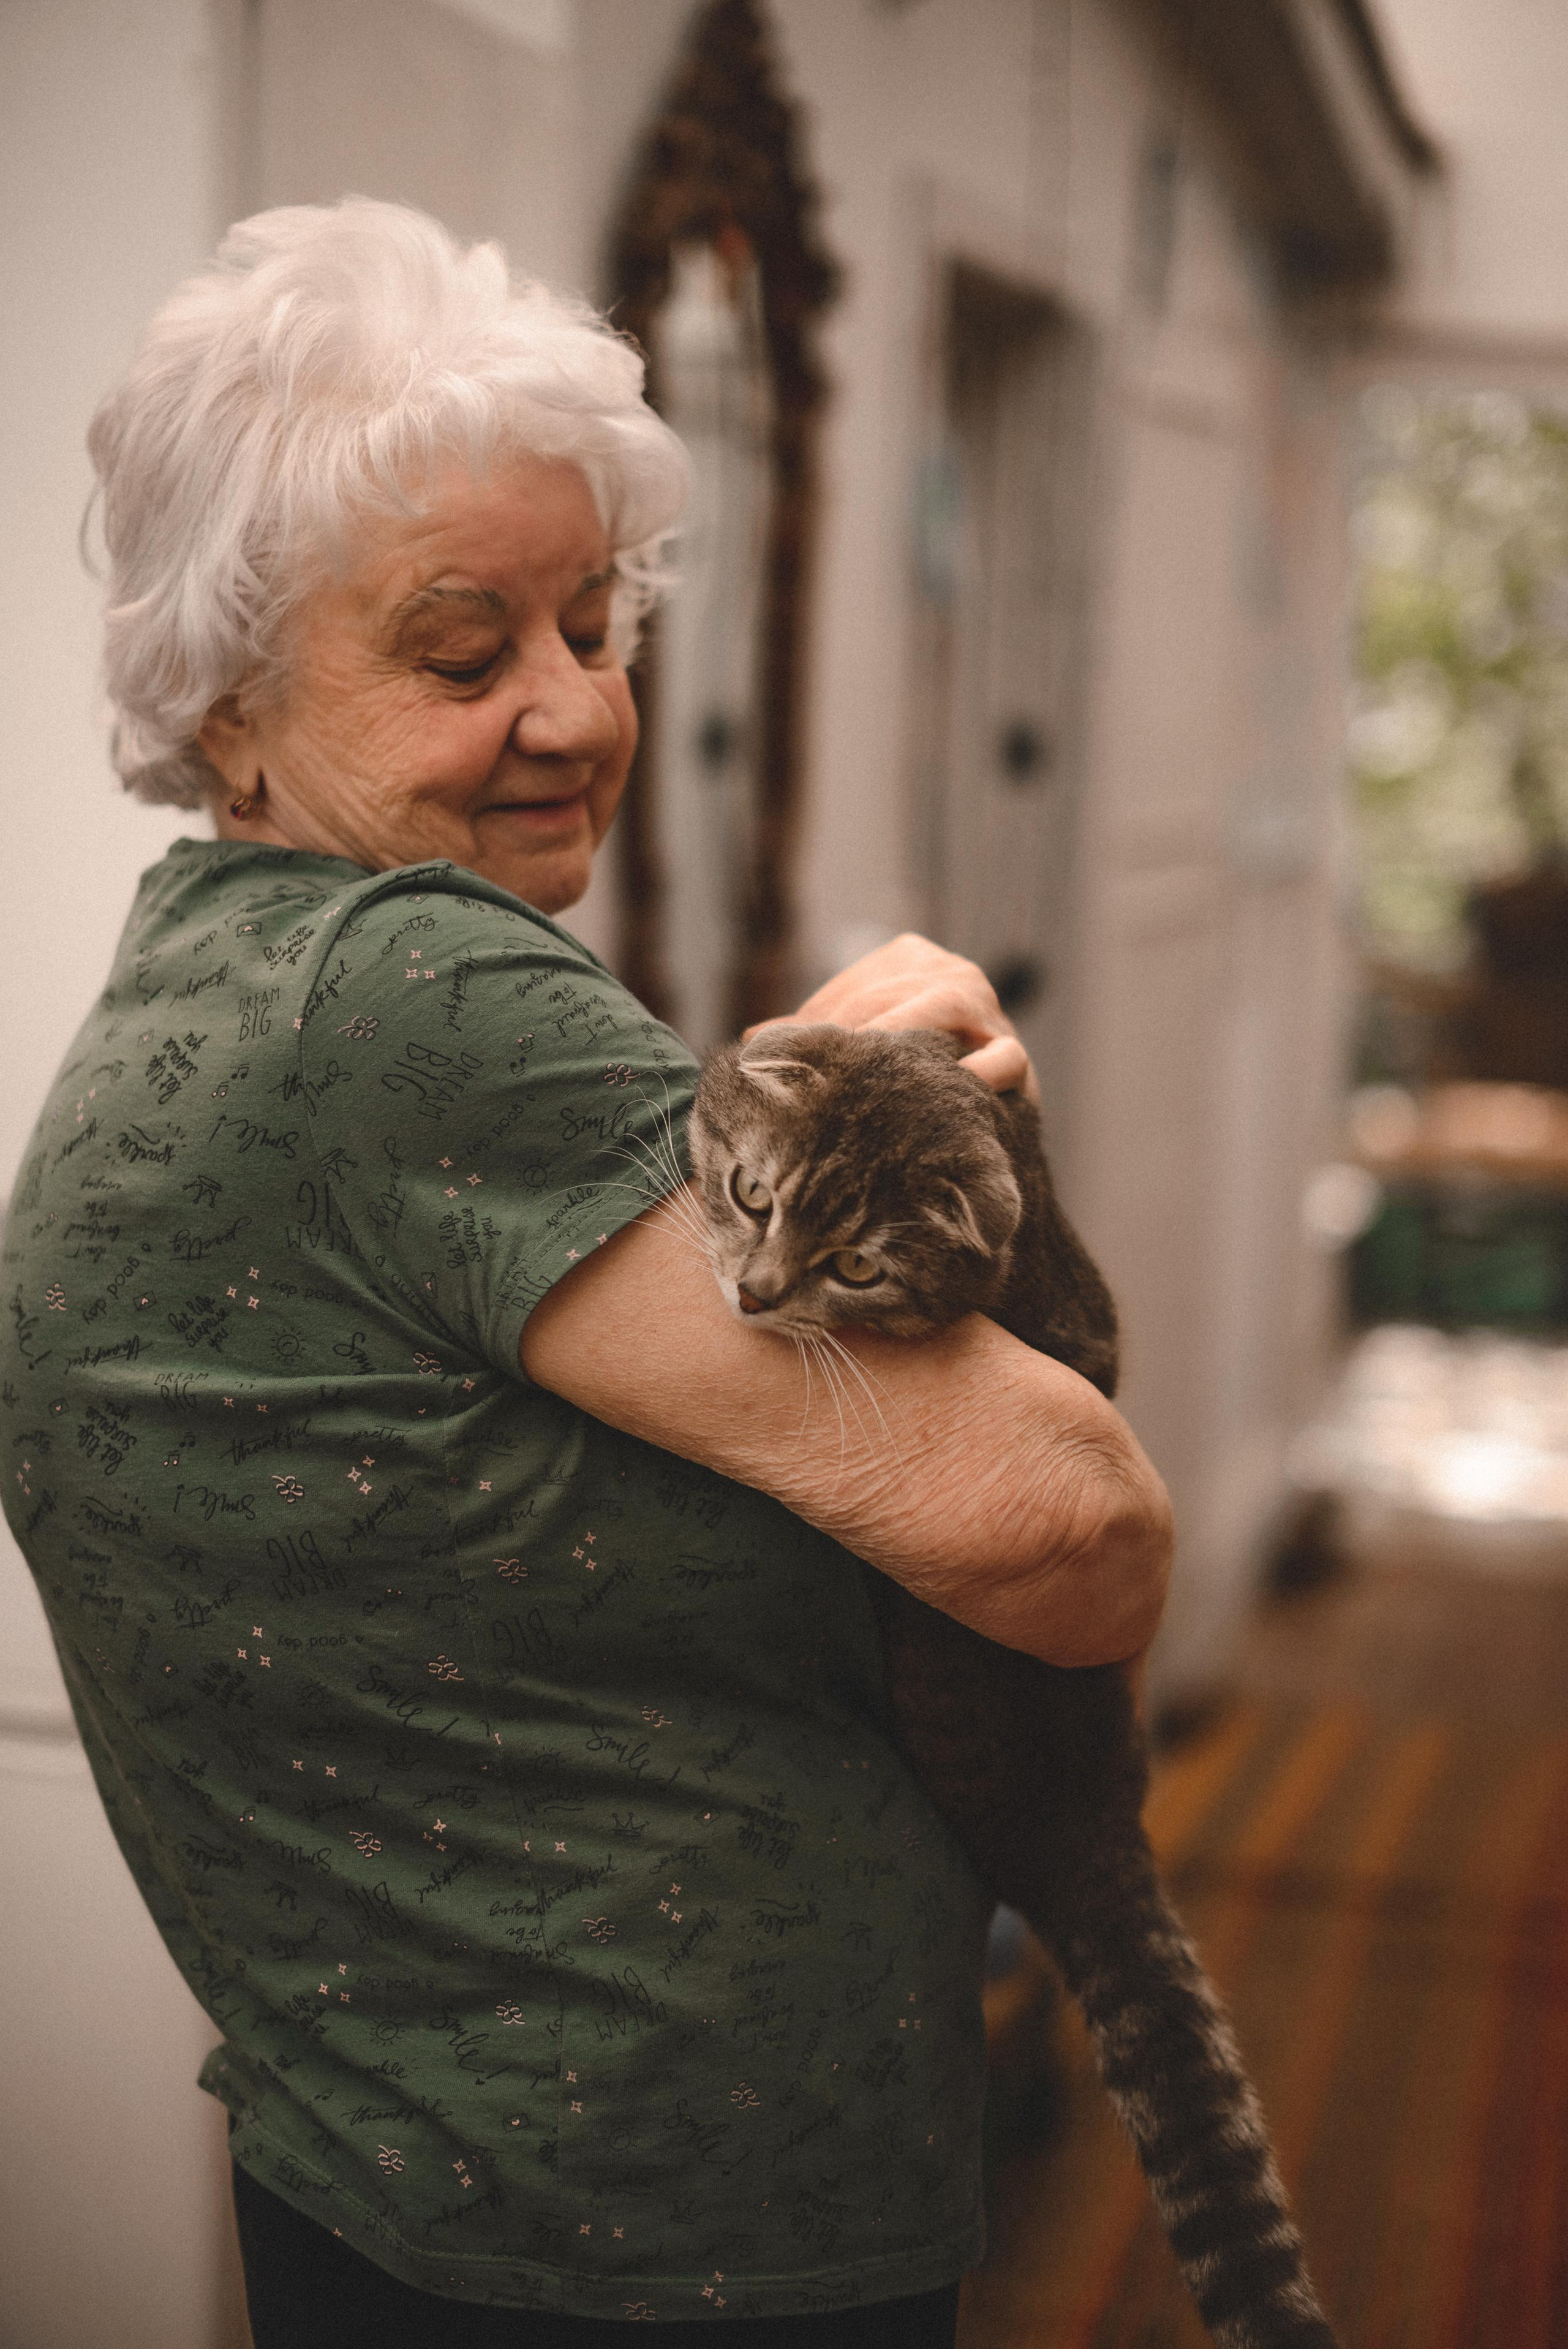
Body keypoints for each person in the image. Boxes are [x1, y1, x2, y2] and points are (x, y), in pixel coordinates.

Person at [0, 200, 1170, 2347]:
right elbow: (1080, 1534)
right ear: (229, 705)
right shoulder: (413, 993)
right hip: (644, 2256)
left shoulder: (204, 983)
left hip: (407, 2190)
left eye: (598, 621)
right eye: (462, 653)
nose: (573, 710)